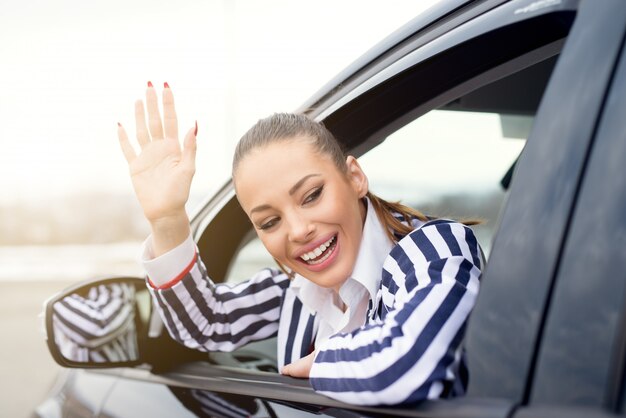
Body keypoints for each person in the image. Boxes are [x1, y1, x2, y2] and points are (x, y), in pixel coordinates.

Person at [116, 82, 483, 406]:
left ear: (355, 177)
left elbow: (411, 362)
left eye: (311, 195)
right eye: (270, 221)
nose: (298, 230)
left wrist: (320, 361)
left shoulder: (435, 250)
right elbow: (207, 321)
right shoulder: (297, 294)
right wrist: (166, 221)